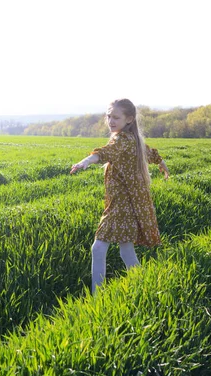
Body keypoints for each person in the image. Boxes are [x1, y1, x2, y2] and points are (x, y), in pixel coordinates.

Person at [70, 98, 169, 294]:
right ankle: (144, 289)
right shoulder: (134, 140)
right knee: (126, 251)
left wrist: (87, 161)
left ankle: (96, 299)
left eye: (116, 117)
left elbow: (106, 152)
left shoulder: (121, 140)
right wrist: (162, 164)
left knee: (98, 249)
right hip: (129, 204)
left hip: (121, 206)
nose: (111, 121)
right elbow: (149, 153)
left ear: (129, 119)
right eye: (109, 116)